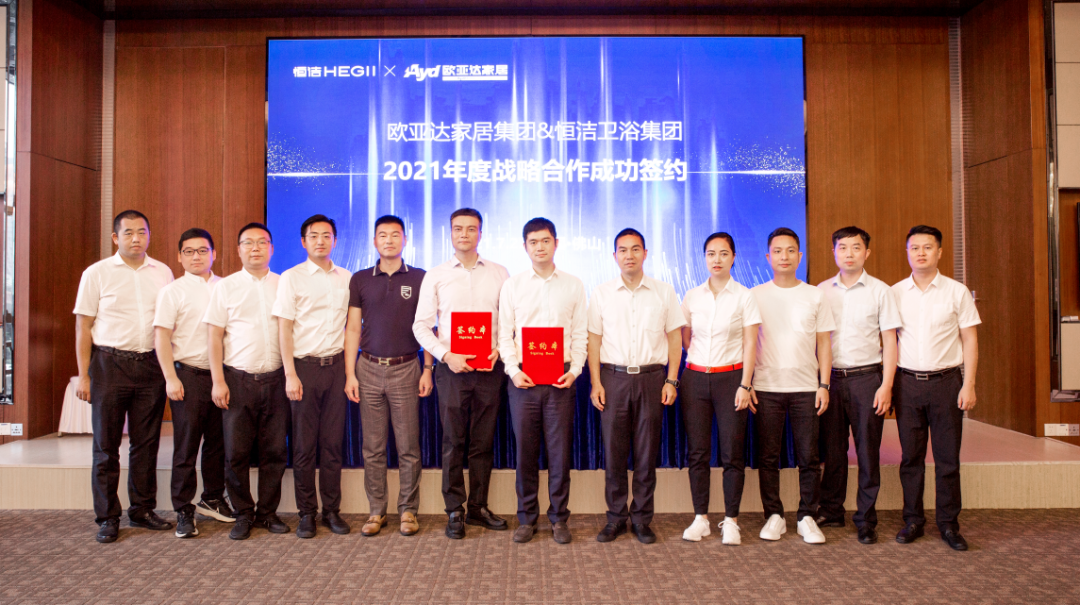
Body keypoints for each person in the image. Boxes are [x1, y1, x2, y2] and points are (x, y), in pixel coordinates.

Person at [74, 209, 175, 543]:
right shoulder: (97, 273)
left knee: (146, 444)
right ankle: (107, 517)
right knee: (106, 446)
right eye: (128, 233)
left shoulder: (163, 272)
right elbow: (83, 326)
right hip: (109, 364)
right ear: (116, 237)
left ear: (149, 235)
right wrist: (84, 376)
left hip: (150, 366)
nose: (136, 238)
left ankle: (142, 510)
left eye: (142, 232)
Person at [412, 208, 510, 539]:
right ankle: (454, 509)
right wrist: (446, 355)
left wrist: (499, 349)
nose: (464, 234)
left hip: (489, 370)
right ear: (450, 233)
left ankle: (478, 507)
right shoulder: (436, 275)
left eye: (471, 229)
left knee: (483, 442)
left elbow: (509, 320)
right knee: (453, 442)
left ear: (481, 233)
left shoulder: (499, 273)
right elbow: (421, 326)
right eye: (458, 229)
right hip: (452, 371)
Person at [588, 228, 686, 545]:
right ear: (614, 255)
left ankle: (642, 519)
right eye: (623, 250)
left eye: (635, 249)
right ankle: (615, 518)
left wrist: (672, 379)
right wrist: (595, 382)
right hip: (613, 379)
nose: (629, 255)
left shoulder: (664, 292)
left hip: (652, 379)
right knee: (614, 454)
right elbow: (593, 341)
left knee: (646, 453)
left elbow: (675, 339)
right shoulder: (601, 293)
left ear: (645, 253)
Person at [498, 218, 588, 545]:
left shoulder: (574, 285)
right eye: (533, 242)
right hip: (523, 380)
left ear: (556, 243)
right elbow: (504, 334)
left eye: (545, 241)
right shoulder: (513, 285)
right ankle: (526, 518)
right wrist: (513, 370)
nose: (540, 247)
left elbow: (580, 334)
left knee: (559, 454)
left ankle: (559, 518)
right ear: (525, 247)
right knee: (525, 453)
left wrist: (575, 370)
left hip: (561, 379)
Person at [892, 224, 980, 551]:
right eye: (915, 248)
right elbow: (888, 341)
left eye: (927, 247)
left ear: (939, 252)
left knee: (947, 459)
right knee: (910, 458)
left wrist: (969, 384)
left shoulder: (957, 292)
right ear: (907, 252)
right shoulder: (895, 293)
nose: (921, 253)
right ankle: (913, 520)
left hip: (947, 383)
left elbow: (970, 340)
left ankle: (948, 524)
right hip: (907, 384)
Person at [345, 215, 432, 537]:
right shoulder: (360, 279)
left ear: (405, 240)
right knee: (373, 447)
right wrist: (349, 374)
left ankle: (408, 510)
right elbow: (352, 329)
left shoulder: (421, 278)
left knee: (408, 446)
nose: (389, 240)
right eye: (383, 235)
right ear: (374, 241)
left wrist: (428, 368)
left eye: (395, 235)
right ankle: (376, 511)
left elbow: (428, 327)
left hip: (407, 368)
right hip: (367, 368)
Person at [815, 226, 901, 545]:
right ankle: (831, 510)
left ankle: (866, 518)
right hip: (831, 380)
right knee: (833, 450)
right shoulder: (821, 291)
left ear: (867, 253)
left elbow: (890, 341)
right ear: (834, 252)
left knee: (867, 451)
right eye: (842, 247)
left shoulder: (881, 291)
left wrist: (887, 385)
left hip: (868, 379)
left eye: (855, 247)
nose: (848, 253)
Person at [204, 222, 290, 540]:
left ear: (272, 248)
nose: (256, 248)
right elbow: (214, 336)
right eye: (248, 243)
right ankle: (243, 512)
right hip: (237, 380)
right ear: (239, 249)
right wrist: (218, 381)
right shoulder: (225, 287)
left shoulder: (284, 284)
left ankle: (267, 513)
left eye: (262, 242)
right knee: (236, 453)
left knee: (274, 452)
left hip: (276, 379)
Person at [750, 227, 835, 545]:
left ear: (800, 256)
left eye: (790, 251)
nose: (783, 256)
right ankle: (773, 515)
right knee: (768, 457)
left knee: (809, 457)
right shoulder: (755, 295)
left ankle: (806, 517)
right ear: (768, 256)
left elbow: (824, 343)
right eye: (777, 251)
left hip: (806, 388)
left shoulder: (815, 295)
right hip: (766, 387)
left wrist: (824, 384)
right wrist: (748, 383)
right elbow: (747, 344)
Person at [273, 214, 352, 538]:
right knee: (304, 447)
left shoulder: (346, 278)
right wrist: (290, 374)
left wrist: (349, 373)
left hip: (336, 368)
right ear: (303, 242)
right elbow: (284, 328)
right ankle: (306, 513)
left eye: (326, 235)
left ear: (335, 240)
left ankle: (331, 511)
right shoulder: (291, 278)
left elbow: (351, 328)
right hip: (303, 368)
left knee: (332, 445)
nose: (321, 241)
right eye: (314, 235)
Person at [679, 232, 760, 545]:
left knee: (732, 453)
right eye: (711, 253)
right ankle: (700, 518)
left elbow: (751, 343)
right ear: (704, 258)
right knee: (698, 453)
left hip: (732, 380)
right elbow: (686, 338)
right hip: (695, 379)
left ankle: (731, 520)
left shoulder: (744, 296)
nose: (717, 259)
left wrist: (745, 384)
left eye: (723, 253)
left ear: (734, 257)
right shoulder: (692, 296)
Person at [153, 228, 236, 539]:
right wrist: (170, 378)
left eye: (203, 250)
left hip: (224, 377)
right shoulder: (172, 292)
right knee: (186, 446)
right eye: (189, 251)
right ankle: (183, 509)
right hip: (187, 376)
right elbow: (161, 337)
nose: (196, 256)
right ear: (179, 256)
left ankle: (212, 497)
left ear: (214, 253)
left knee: (218, 443)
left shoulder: (226, 287)